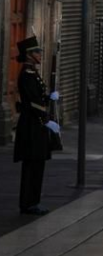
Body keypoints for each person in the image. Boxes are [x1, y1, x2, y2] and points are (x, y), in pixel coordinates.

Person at [14, 36, 59, 215]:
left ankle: (33, 201)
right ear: (29, 55)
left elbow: (38, 97)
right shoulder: (27, 74)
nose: (40, 54)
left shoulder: (32, 72)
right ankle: (28, 203)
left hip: (36, 123)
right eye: (37, 52)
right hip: (31, 124)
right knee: (32, 165)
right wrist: (46, 119)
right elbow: (32, 102)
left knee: (38, 164)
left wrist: (49, 98)